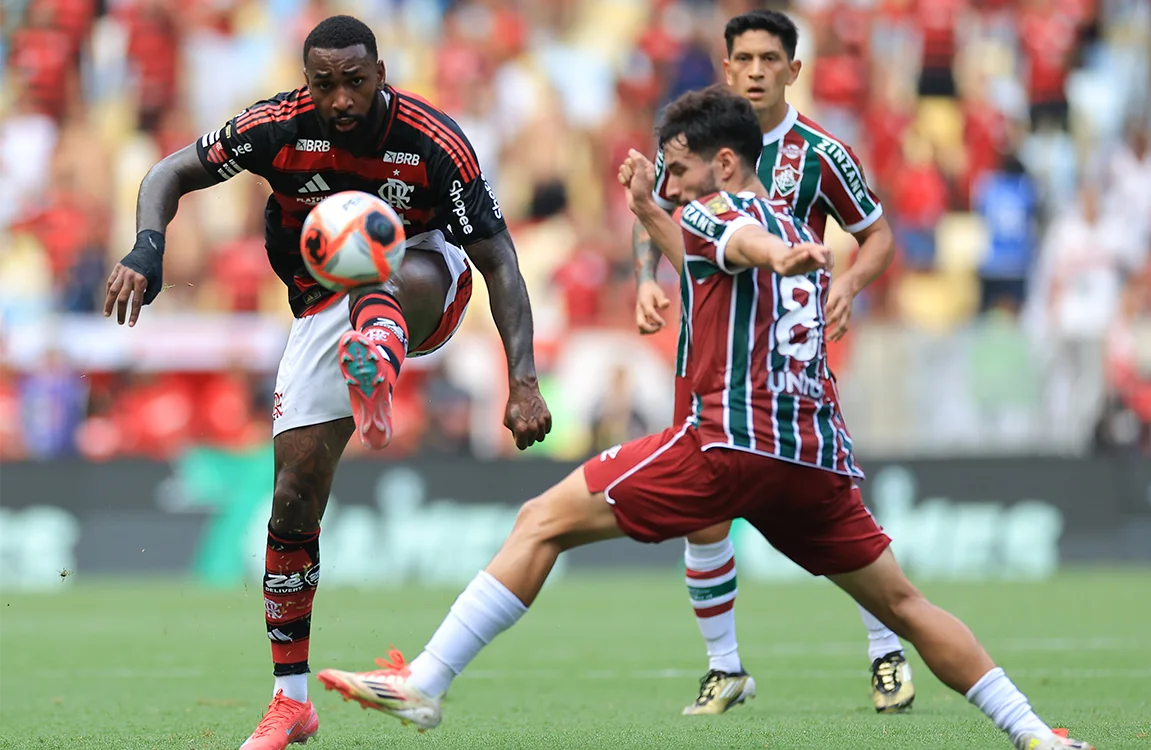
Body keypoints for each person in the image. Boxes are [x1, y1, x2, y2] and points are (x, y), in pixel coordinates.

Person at [316, 86, 1093, 750]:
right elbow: (706, 245)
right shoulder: (787, 221)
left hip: (729, 443)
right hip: (814, 459)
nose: (678, 186)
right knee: (906, 605)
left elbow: (731, 237)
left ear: (724, 164)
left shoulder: (734, 218)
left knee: (540, 521)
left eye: (683, 169)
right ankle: (1036, 735)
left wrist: (763, 253)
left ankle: (424, 681)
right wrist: (658, 207)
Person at [102, 16, 552, 750]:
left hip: (422, 281)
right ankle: (291, 703)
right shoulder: (276, 127)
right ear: (306, 80)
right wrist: (147, 248)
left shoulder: (434, 143)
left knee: (391, 264)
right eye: (324, 84)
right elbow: (168, 172)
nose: (340, 100)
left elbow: (499, 258)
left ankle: (378, 347)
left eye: (354, 81)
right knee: (292, 500)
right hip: (318, 305)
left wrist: (524, 381)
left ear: (381, 72)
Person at [631, 9, 908, 715]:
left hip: (788, 367)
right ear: (726, 67)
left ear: (794, 69)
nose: (756, 70)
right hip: (706, 357)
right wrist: (643, 281)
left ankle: (885, 649)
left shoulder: (821, 153)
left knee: (836, 506)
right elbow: (657, 214)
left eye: (769, 58)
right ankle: (724, 668)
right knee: (704, 516)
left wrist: (846, 283)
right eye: (743, 58)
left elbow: (876, 236)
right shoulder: (692, 143)